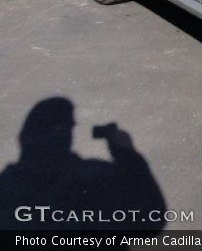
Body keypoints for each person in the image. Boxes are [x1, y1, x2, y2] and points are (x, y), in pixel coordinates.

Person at [0, 97, 165, 230]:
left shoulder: (6, 185)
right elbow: (151, 217)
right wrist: (127, 156)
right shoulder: (94, 178)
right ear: (66, 135)